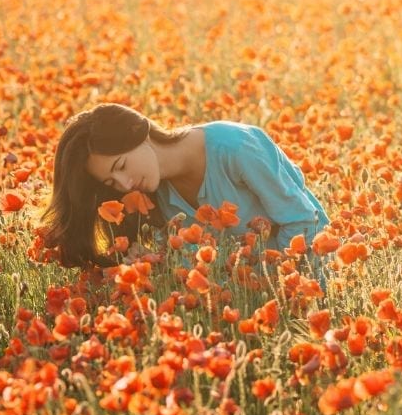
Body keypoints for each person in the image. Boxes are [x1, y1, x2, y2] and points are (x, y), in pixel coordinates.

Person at [41, 102, 330, 285]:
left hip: (308, 280)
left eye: (121, 166)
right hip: (240, 297)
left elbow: (303, 220)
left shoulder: (235, 147)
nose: (125, 184)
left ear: (138, 132)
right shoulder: (155, 197)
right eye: (111, 182)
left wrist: (275, 285)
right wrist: (154, 262)